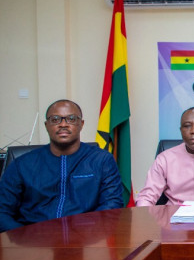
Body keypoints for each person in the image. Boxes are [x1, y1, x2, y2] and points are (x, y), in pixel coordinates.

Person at [0, 99, 123, 232]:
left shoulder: (101, 160)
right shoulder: (22, 164)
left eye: (71, 119)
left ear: (81, 124)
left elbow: (112, 205)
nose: (63, 124)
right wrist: (24, 237)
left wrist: (87, 233)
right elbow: (2, 211)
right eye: (55, 119)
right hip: (34, 238)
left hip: (85, 237)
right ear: (46, 125)